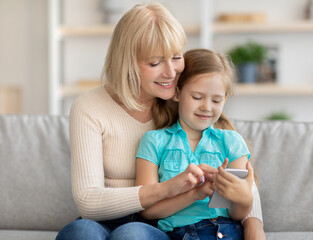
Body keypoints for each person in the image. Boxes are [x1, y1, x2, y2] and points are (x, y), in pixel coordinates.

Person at [56, 2, 264, 240]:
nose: (171, 73)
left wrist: (253, 227)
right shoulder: (89, 107)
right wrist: (167, 188)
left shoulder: (184, 100)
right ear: (127, 62)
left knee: (131, 234)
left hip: (154, 225)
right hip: (105, 217)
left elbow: (237, 173)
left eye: (176, 57)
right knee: (79, 232)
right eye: (155, 63)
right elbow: (88, 201)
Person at [136, 49, 265, 240]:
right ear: (177, 93)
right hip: (176, 233)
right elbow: (148, 211)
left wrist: (245, 198)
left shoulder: (231, 141)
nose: (206, 107)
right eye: (197, 97)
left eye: (216, 100)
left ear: (225, 99)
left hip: (226, 231)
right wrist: (196, 194)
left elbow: (238, 213)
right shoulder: (154, 141)